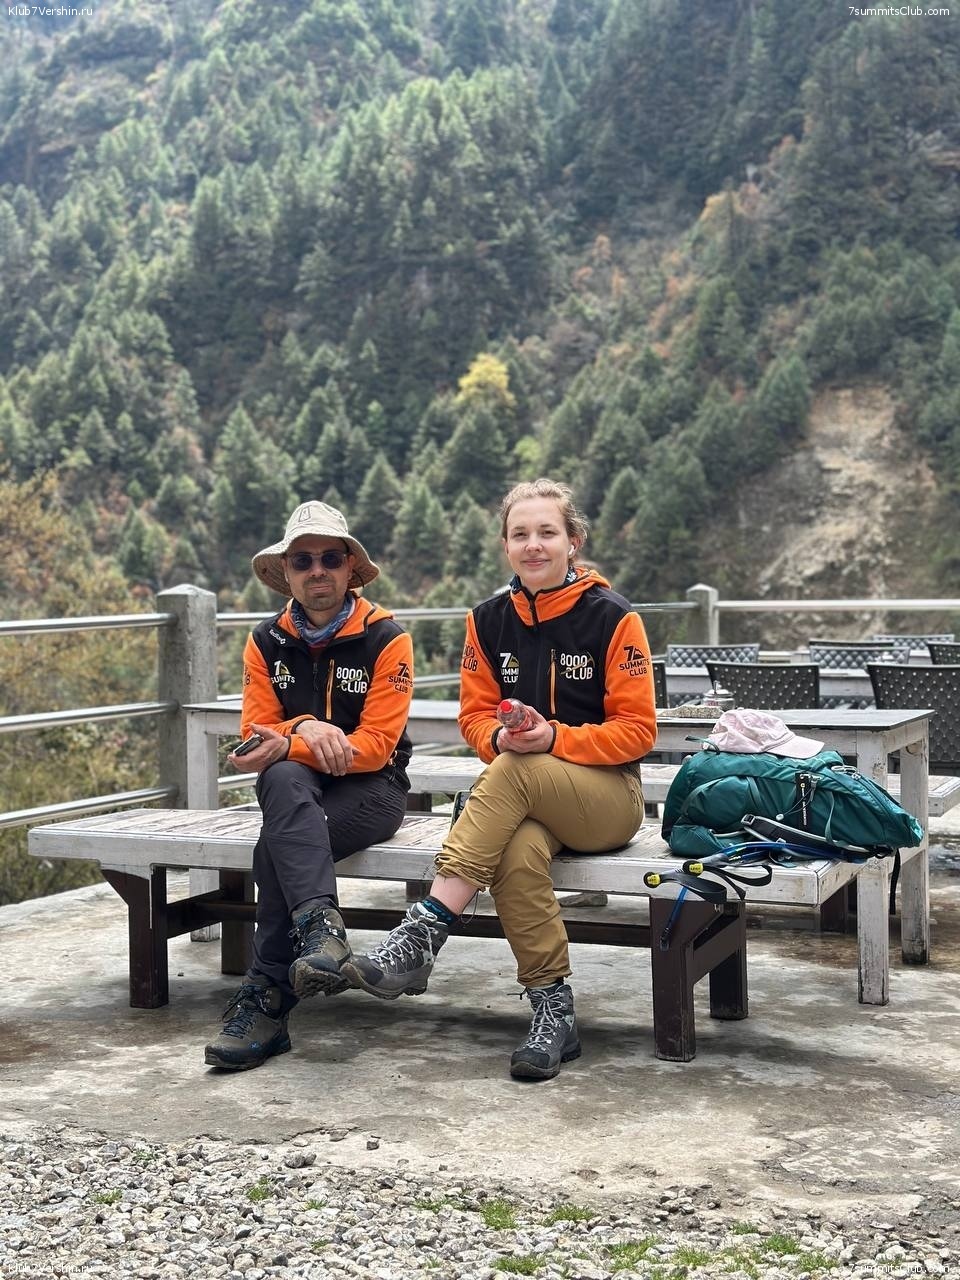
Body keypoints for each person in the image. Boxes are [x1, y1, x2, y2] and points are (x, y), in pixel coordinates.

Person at [342, 478, 657, 1081]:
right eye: (520, 534)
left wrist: (553, 738)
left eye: (547, 532)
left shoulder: (614, 618)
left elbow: (638, 732)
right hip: (528, 803)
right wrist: (499, 737)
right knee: (514, 852)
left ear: (573, 542)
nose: (533, 545)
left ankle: (425, 929)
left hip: (608, 797)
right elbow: (474, 718)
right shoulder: (486, 621)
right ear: (505, 545)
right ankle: (552, 1010)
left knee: (515, 770)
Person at [204, 501, 414, 1071]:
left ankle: (266, 998)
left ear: (349, 567)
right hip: (295, 792)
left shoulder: (387, 638)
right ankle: (319, 929)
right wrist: (304, 729)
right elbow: (254, 740)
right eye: (303, 560)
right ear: (287, 571)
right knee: (282, 775)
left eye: (329, 558)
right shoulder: (264, 641)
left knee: (276, 845)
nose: (317, 570)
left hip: (374, 789)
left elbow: (374, 746)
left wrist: (289, 737)